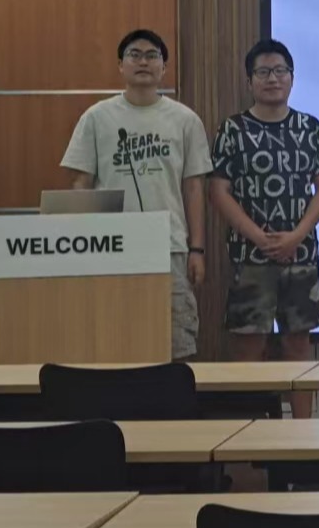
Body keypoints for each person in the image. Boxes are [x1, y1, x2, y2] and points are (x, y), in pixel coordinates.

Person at [61, 29, 211, 361]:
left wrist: (197, 249)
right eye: (135, 55)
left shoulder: (185, 120)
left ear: (164, 68)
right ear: (121, 65)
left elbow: (194, 188)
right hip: (111, 246)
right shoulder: (97, 117)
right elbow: (80, 182)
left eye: (152, 55)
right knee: (114, 335)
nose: (143, 61)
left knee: (176, 340)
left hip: (170, 247)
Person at [206, 39, 319, 417]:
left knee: (298, 346)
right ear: (249, 81)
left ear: (292, 78)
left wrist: (295, 236)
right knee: (248, 347)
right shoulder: (232, 129)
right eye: (263, 72)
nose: (272, 79)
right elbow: (218, 191)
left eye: (280, 71)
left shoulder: (310, 128)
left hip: (300, 254)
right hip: (250, 255)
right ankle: (250, 430)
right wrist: (258, 237)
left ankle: (302, 435)